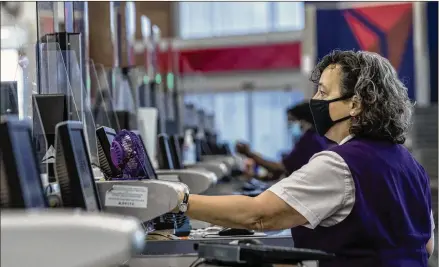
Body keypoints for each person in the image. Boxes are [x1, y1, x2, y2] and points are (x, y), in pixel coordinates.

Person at [174, 50, 435, 266]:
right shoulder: (411, 165)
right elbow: (427, 245)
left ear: (355, 104)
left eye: (323, 92)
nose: (315, 101)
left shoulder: (340, 164)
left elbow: (259, 216)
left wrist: (178, 201)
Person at [236, 101, 332, 178]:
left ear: (303, 121)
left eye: (291, 121)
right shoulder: (317, 137)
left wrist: (249, 153)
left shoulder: (309, 140)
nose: (289, 126)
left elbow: (280, 169)